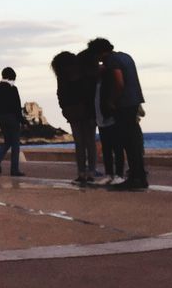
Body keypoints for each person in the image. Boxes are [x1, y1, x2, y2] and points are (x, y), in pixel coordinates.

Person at [88, 38, 147, 190]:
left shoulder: (111, 61)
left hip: (124, 104)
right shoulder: (125, 56)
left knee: (127, 141)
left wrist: (112, 100)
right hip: (134, 101)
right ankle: (139, 176)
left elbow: (119, 82)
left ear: (99, 52)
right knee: (133, 140)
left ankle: (135, 178)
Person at [52, 49, 101, 184]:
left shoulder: (62, 77)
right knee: (90, 142)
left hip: (73, 112)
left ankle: (81, 172)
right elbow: (90, 92)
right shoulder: (84, 73)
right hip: (88, 111)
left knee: (79, 143)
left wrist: (64, 109)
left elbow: (60, 95)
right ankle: (91, 171)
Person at [0, 67, 24, 176]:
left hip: (1, 117)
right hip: (12, 117)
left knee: (7, 141)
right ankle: (14, 170)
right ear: (12, 76)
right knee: (15, 144)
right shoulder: (13, 89)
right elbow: (17, 106)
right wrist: (22, 120)